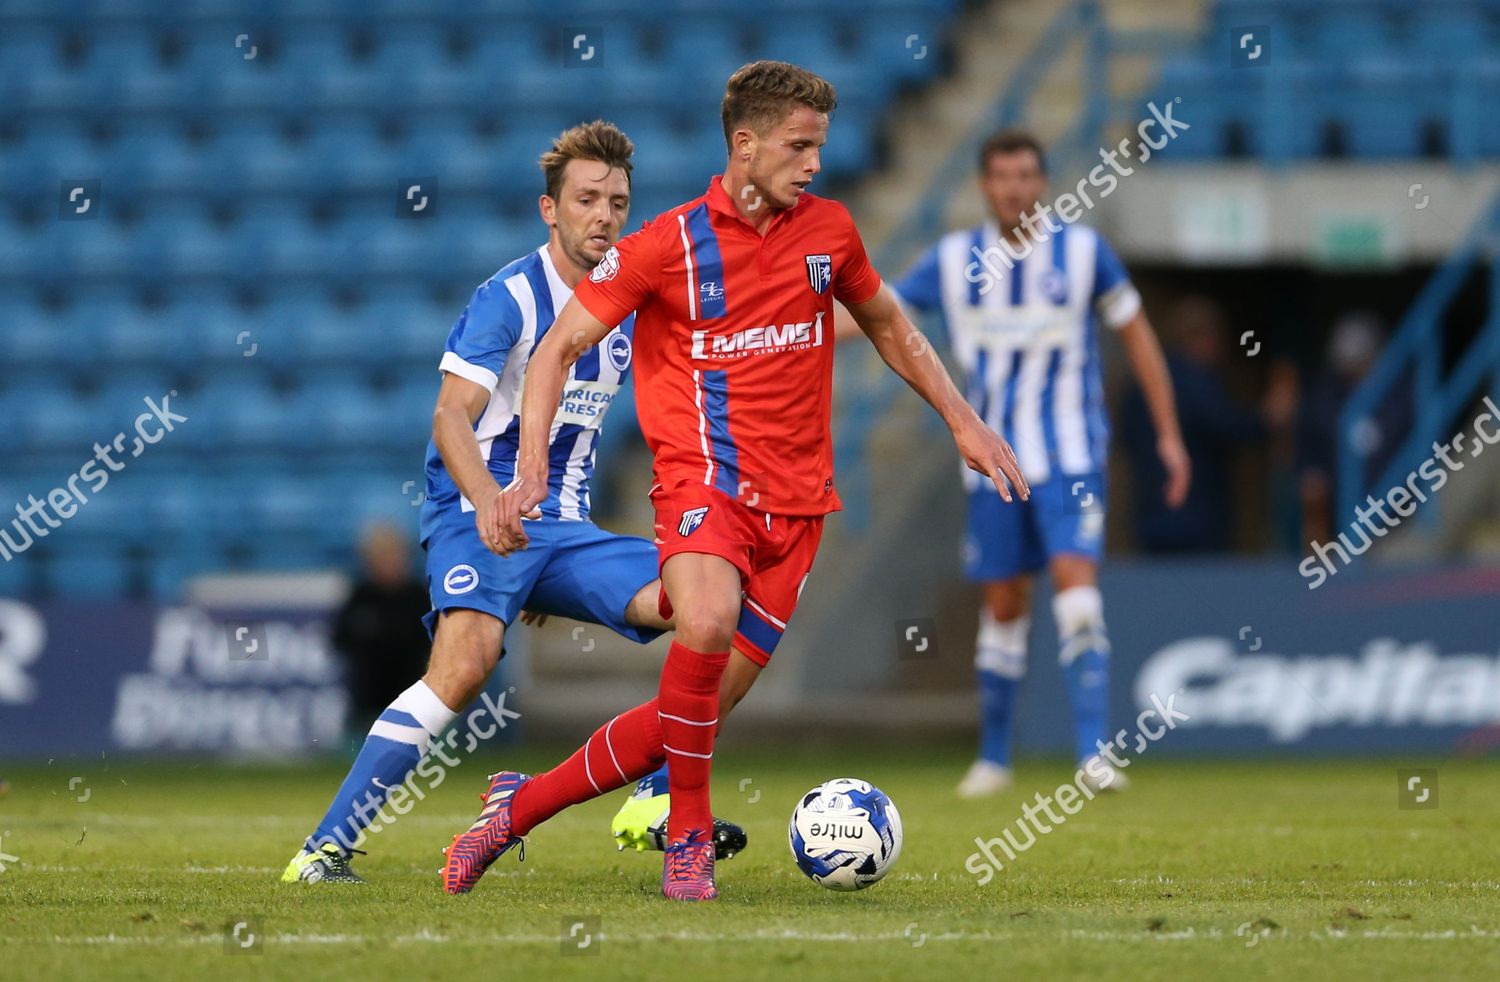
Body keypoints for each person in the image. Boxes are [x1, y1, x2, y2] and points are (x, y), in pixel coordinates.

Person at [442, 61, 1028, 902]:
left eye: (820, 145)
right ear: (744, 145)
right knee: (706, 622)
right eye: (800, 145)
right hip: (702, 488)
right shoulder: (666, 245)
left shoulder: (830, 232)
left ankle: (513, 811)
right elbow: (554, 350)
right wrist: (531, 467)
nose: (815, 162)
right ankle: (687, 842)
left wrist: (962, 419)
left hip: (799, 509)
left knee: (688, 720)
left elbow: (890, 325)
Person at [282, 121, 744, 885]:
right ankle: (324, 848)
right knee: (465, 666)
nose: (603, 216)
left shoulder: (629, 299)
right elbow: (449, 417)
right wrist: (495, 504)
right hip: (479, 513)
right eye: (587, 199)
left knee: (708, 605)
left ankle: (654, 801)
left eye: (617, 202)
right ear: (549, 210)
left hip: (562, 528)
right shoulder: (510, 296)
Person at [883, 129, 1189, 798]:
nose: (1015, 187)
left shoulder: (1083, 254)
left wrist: (1168, 433)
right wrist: (797, 328)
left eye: (1026, 175)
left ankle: (1091, 753)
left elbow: (1138, 337)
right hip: (993, 464)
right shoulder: (954, 259)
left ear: (1043, 182)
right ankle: (994, 758)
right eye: (1002, 176)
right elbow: (878, 313)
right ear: (984, 185)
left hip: (1072, 456)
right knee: (1004, 603)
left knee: (1077, 586)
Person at [1121, 295, 1277, 553]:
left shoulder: (1140, 382)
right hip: (1195, 518)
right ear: (1199, 337)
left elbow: (1125, 439)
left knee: (1155, 589)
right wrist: (1268, 418)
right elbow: (1230, 426)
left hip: (1149, 514)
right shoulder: (1194, 380)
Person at [329, 522, 433, 730]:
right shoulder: (360, 596)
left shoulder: (418, 596)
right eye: (382, 556)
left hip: (411, 693)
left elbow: (434, 641)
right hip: (367, 697)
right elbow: (339, 638)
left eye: (394, 556)